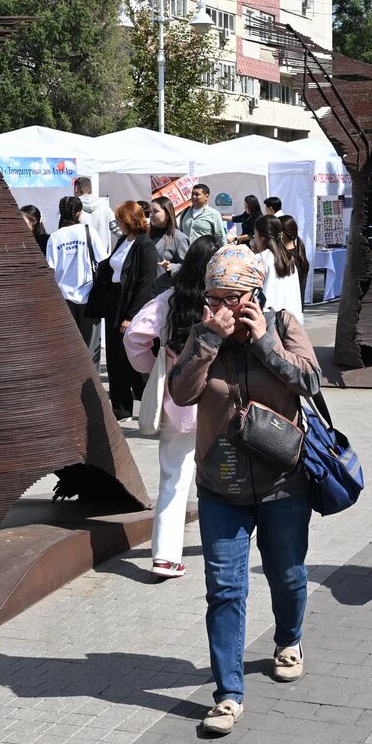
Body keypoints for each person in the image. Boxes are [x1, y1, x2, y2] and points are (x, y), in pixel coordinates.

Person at [169, 244, 324, 736]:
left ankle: (288, 638)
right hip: (221, 484)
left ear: (255, 293)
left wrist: (264, 345)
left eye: (235, 296)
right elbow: (181, 393)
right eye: (216, 296)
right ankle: (228, 694)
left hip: (283, 481)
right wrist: (209, 341)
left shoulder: (282, 325)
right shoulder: (202, 336)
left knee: (288, 575)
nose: (225, 306)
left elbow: (311, 382)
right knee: (225, 589)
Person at [124, 234, 222, 579]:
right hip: (219, 404)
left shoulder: (169, 300)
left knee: (173, 480)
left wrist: (153, 369)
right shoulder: (227, 303)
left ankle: (165, 556)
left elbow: (134, 336)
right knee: (219, 480)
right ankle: (223, 542)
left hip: (177, 403)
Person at [104, 201, 160, 419]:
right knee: (114, 358)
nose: (118, 224)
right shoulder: (122, 240)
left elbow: (145, 283)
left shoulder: (145, 245)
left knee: (132, 357)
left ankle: (147, 401)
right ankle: (120, 408)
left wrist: (130, 315)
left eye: (121, 219)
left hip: (131, 305)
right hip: (114, 302)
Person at [47, 196, 100, 334]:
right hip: (89, 295)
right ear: (79, 213)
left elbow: (50, 269)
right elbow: (103, 260)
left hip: (63, 298)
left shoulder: (55, 237)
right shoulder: (89, 231)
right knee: (89, 344)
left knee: (68, 344)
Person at [251, 214, 304, 318]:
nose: (254, 237)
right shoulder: (289, 258)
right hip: (293, 319)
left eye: (255, 233)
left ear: (262, 237)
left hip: (269, 321)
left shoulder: (260, 259)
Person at [147, 197, 190, 282]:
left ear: (167, 214)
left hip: (163, 289)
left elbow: (188, 266)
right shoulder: (145, 235)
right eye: (150, 212)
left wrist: (171, 267)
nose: (151, 215)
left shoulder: (179, 238)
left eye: (155, 211)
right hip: (144, 289)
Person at [176, 182, 226, 247]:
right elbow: (180, 234)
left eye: (197, 194)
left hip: (205, 255)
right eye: (192, 194)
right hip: (186, 254)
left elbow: (220, 237)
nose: (193, 197)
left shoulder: (214, 214)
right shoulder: (185, 212)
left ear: (206, 197)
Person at [280, 216, 312, 306]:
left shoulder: (288, 258)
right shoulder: (299, 254)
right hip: (297, 308)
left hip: (289, 309)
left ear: (282, 234)